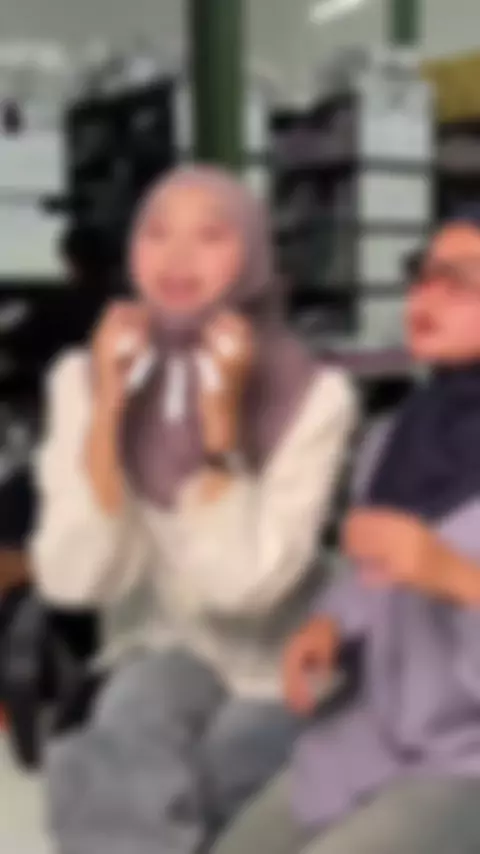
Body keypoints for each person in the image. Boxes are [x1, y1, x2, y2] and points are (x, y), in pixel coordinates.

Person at [30, 165, 356, 854]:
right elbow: (75, 580)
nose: (177, 258)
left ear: (254, 253)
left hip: (274, 665)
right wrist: (107, 412)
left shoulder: (315, 394)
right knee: (133, 724)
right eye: (156, 234)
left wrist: (221, 435)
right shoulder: (80, 379)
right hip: (156, 645)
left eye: (211, 236)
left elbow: (243, 589)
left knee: (213, 773)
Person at [214, 211, 480, 854]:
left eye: (461, 281)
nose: (426, 296)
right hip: (373, 733)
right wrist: (330, 626)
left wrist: (456, 577)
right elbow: (367, 576)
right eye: (423, 275)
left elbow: (431, 568)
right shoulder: (397, 437)